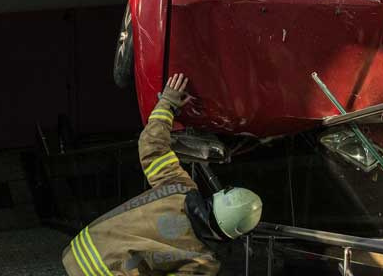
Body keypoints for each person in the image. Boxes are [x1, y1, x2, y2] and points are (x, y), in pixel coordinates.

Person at [61, 74, 262, 275]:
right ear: (234, 235)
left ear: (219, 196)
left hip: (79, 254)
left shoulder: (180, 187)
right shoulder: (204, 263)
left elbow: (152, 146)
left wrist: (167, 103)